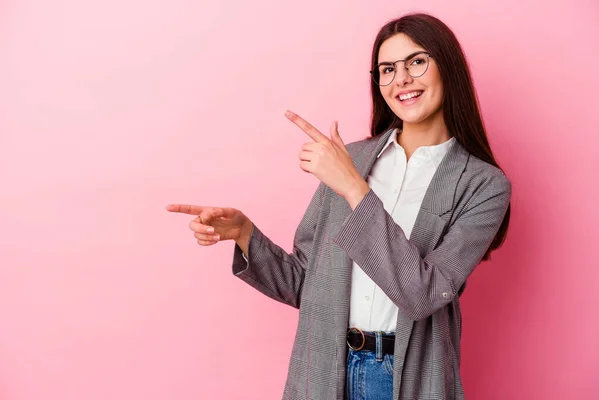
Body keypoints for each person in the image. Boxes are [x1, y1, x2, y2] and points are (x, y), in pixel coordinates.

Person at [167, 12, 512, 400]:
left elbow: (423, 295)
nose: (401, 80)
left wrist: (353, 186)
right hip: (325, 371)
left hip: (404, 376)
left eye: (416, 62)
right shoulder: (352, 159)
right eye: (387, 69)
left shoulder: (483, 185)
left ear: (447, 67)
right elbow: (307, 285)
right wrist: (246, 234)